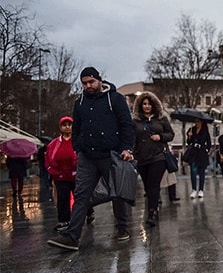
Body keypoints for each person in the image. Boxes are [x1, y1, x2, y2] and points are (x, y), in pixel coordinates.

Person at [47, 67, 135, 251]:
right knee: (81, 195)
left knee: (117, 192)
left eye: (91, 82)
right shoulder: (80, 103)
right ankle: (72, 236)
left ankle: (122, 228)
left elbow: (127, 124)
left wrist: (127, 148)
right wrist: (78, 148)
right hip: (87, 156)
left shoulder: (115, 99)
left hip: (110, 153)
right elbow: (76, 128)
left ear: (99, 80)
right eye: (85, 83)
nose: (88, 86)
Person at [132, 91, 175, 225]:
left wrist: (160, 137)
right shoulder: (135, 122)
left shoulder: (161, 119)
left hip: (158, 156)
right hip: (142, 158)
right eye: (144, 104)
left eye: (149, 104)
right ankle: (152, 207)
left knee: (153, 184)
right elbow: (132, 139)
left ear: (153, 105)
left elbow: (171, 134)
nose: (147, 106)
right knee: (147, 186)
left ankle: (152, 212)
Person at [45, 116, 95, 231]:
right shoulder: (54, 144)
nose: (67, 127)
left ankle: (89, 212)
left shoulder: (78, 141)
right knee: (63, 198)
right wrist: (52, 170)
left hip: (77, 175)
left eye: (69, 125)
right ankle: (63, 220)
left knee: (81, 196)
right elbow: (48, 158)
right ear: (61, 127)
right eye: (64, 125)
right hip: (61, 176)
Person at [186, 118, 211, 198]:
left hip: (202, 153)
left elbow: (208, 142)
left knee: (201, 172)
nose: (196, 123)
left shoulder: (205, 131)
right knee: (193, 170)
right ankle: (194, 189)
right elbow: (189, 142)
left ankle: (201, 190)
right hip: (194, 153)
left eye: (198, 122)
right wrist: (189, 137)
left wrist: (207, 149)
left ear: (201, 122)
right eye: (195, 121)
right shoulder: (192, 129)